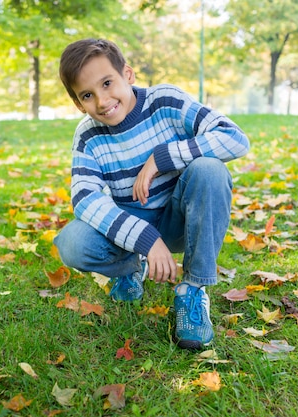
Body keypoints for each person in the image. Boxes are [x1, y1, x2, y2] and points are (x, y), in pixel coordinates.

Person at [53, 38, 250, 350]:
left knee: (210, 169)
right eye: (88, 95)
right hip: (133, 222)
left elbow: (234, 138)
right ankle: (132, 268)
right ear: (79, 104)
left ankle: (194, 289)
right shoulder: (88, 134)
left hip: (181, 217)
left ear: (128, 75)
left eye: (107, 83)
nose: (102, 101)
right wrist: (144, 239)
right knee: (72, 243)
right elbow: (84, 198)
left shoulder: (165, 101)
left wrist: (164, 157)